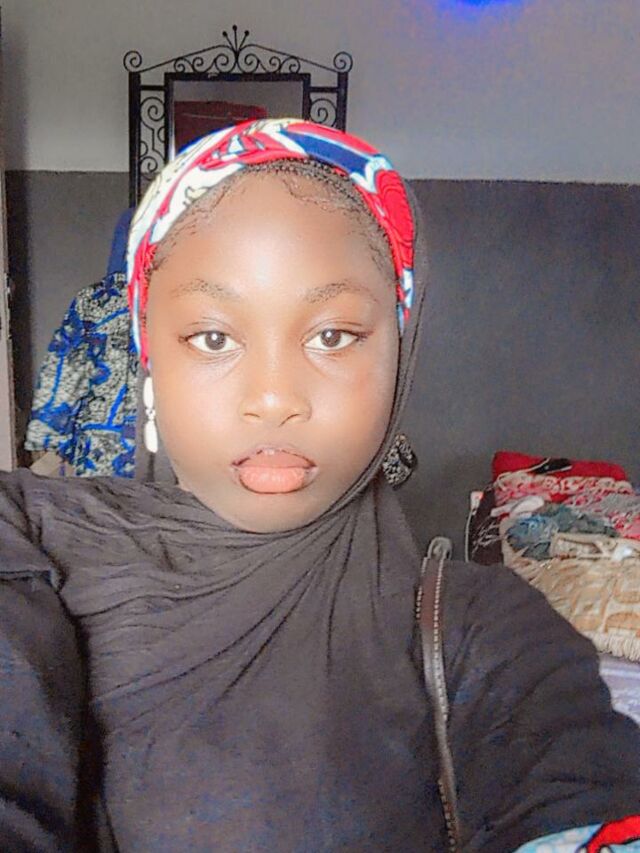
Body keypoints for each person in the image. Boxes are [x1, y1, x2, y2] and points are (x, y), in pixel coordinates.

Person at [0, 118, 637, 853]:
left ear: (399, 352)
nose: (274, 398)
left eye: (332, 336)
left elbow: (578, 792)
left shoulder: (484, 631)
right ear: (149, 359)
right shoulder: (28, 533)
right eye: (213, 337)